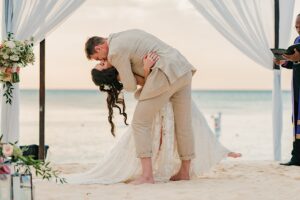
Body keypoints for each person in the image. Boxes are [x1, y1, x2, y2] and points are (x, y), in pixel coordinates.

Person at [67, 56, 241, 185]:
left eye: (100, 61)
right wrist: (147, 69)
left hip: (167, 92)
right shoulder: (122, 75)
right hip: (161, 97)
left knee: (191, 124)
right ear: (106, 73)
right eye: (102, 64)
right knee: (172, 129)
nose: (104, 60)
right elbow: (146, 83)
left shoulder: (123, 68)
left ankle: (219, 150)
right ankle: (218, 152)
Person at [85, 29, 197, 184]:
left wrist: (128, 75)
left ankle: (147, 176)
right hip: (182, 69)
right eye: (100, 62)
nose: (103, 60)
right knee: (183, 124)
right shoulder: (125, 34)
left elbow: (130, 87)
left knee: (139, 123)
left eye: (99, 58)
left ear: (99, 48)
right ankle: (185, 172)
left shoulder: (115, 52)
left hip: (164, 73)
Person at [274, 14, 300, 166]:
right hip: (296, 85)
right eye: (296, 26)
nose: (298, 29)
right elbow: (293, 64)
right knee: (296, 119)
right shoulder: (297, 41)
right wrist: (283, 61)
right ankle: (296, 157)